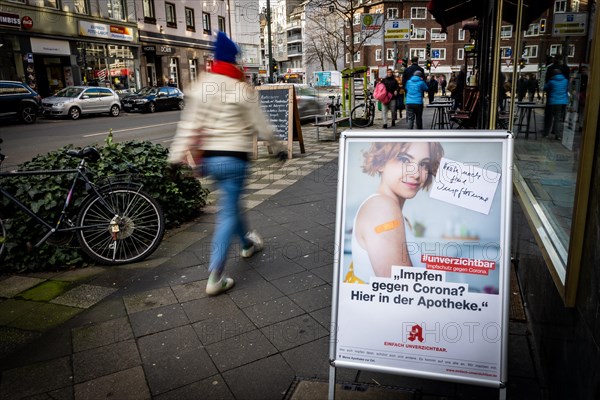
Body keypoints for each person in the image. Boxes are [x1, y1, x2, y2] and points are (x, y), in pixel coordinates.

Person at [168, 32, 285, 296]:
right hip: (235, 160)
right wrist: (277, 147)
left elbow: (188, 125)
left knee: (232, 205)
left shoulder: (202, 86)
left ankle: (247, 244)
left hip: (211, 160)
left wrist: (175, 157)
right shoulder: (241, 88)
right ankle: (215, 276)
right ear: (233, 59)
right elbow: (261, 124)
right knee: (228, 213)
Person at [347, 141, 444, 282]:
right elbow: (401, 288)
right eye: (404, 160)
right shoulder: (382, 208)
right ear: (380, 162)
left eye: (424, 164)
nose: (416, 173)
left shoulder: (391, 210)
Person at [543, 68, 569, 140]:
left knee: (549, 118)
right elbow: (567, 89)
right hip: (562, 102)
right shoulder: (566, 81)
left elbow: (545, 88)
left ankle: (546, 134)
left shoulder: (551, 81)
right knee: (558, 119)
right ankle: (557, 135)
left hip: (552, 102)